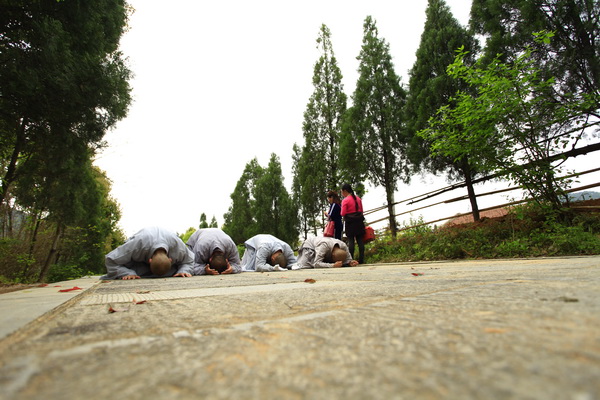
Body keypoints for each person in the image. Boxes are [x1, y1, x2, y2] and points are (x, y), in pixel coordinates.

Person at [102, 226, 194, 280]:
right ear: (149, 261)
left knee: (176, 272)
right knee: (138, 272)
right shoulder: (137, 244)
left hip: (167, 259)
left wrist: (184, 271)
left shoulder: (178, 247)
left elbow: (190, 260)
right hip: (140, 256)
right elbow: (110, 260)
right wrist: (126, 273)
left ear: (171, 260)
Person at [341, 183, 365, 264]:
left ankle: (350, 260)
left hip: (350, 222)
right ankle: (361, 259)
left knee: (351, 241)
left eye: (342, 191)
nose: (341, 193)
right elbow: (361, 211)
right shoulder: (358, 199)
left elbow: (343, 213)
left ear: (345, 191)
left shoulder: (345, 200)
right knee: (360, 240)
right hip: (359, 221)